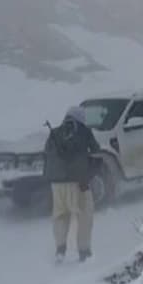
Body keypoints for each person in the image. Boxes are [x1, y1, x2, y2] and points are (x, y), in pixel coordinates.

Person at [43, 106, 100, 263]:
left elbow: (46, 154)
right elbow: (97, 151)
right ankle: (84, 252)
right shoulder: (84, 131)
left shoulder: (54, 132)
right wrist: (89, 173)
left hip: (56, 183)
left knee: (60, 215)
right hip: (78, 182)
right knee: (85, 215)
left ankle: (60, 250)